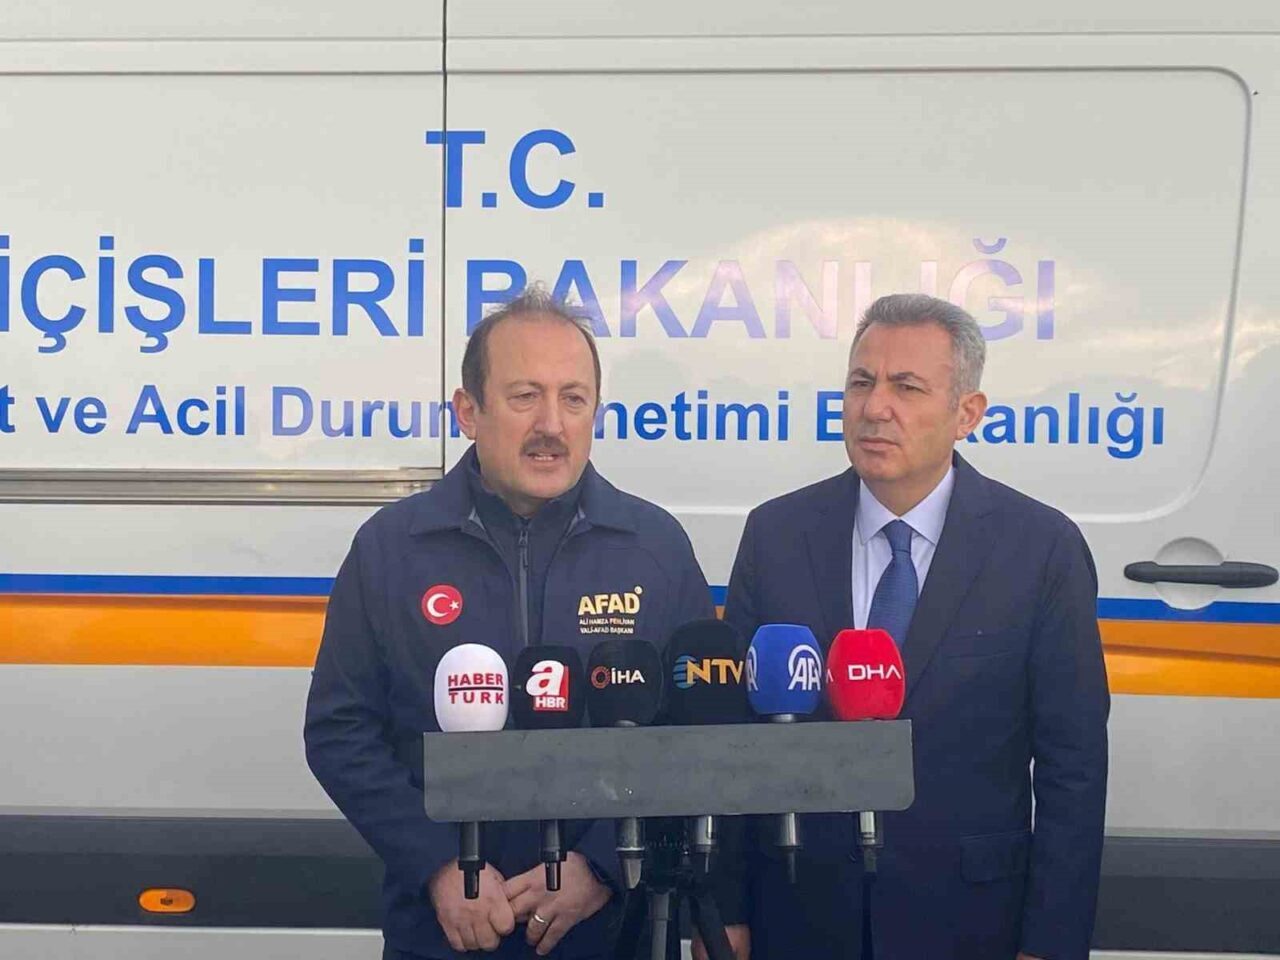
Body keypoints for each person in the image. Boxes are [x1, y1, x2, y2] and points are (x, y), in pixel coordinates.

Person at [305, 287, 714, 959]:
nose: (552, 424)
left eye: (573, 399)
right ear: (469, 411)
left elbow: (697, 736)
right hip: (445, 934)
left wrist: (603, 865)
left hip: (612, 934)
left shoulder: (655, 547)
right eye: (526, 396)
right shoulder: (391, 549)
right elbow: (339, 731)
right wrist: (439, 866)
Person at [720, 293, 1110, 960]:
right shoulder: (776, 535)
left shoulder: (1041, 549)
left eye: (906, 387)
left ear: (967, 413)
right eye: (861, 382)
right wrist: (725, 909)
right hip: (800, 913)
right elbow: (733, 742)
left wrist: (1050, 942)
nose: (875, 407)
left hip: (971, 921)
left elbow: (1073, 765)